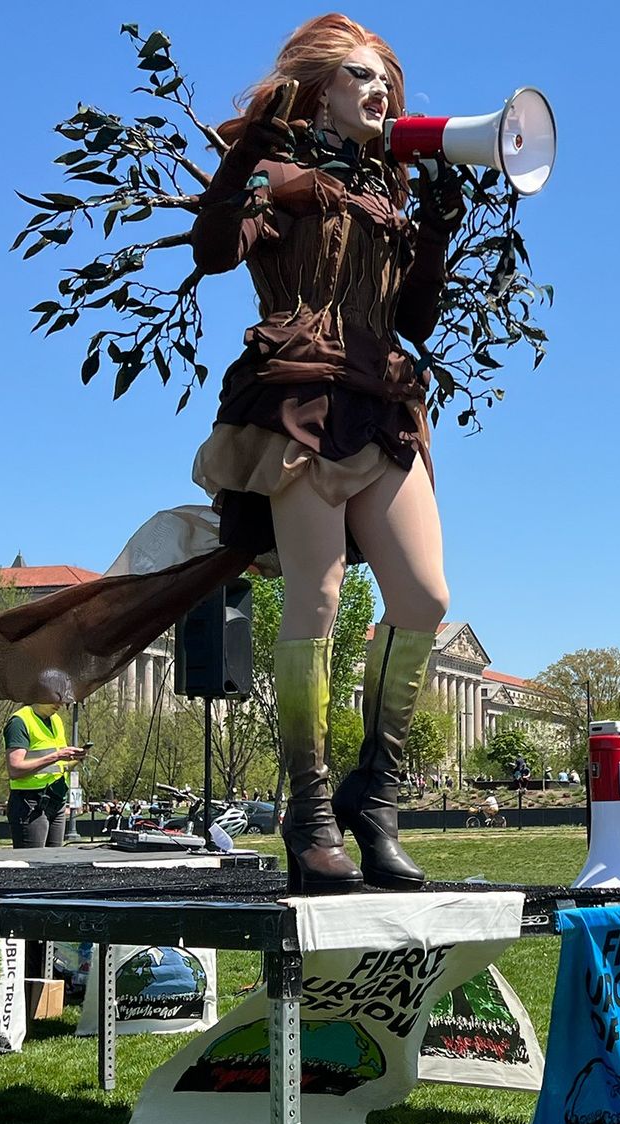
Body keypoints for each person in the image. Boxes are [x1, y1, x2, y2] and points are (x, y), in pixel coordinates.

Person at [189, 15, 464, 894]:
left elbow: (414, 321)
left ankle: (372, 794)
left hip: (381, 400)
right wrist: (250, 164)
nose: (380, 90)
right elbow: (212, 251)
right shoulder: (279, 173)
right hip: (299, 399)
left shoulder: (389, 191)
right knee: (318, 596)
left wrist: (439, 228)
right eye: (360, 76)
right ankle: (307, 809)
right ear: (320, 89)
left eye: (386, 78)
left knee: (425, 595)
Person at [3, 702, 86, 848]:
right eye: (55, 697)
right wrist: (57, 756)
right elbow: (15, 769)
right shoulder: (19, 721)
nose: (61, 702)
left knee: (54, 861)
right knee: (33, 862)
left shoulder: (56, 720)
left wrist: (75, 760)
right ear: (39, 693)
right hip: (30, 803)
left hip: (57, 800)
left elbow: (58, 767)